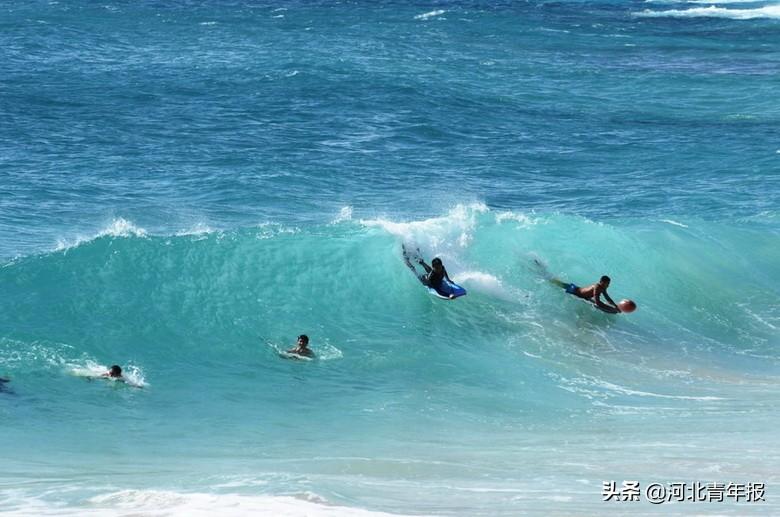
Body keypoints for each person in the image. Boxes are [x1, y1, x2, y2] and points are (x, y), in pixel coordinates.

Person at [552, 275, 622, 313]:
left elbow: (607, 298)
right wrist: (610, 308)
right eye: (607, 283)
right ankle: (545, 275)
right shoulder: (597, 287)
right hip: (573, 290)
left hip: (577, 290)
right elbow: (597, 302)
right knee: (553, 282)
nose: (608, 285)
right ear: (601, 282)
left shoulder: (603, 288)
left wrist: (615, 306)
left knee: (556, 283)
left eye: (608, 284)